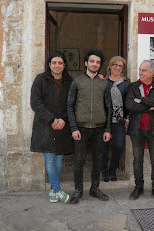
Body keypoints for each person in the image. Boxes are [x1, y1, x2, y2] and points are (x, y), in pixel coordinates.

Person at [67, 49, 112, 204]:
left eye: (98, 62)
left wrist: (108, 129)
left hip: (99, 128)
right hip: (81, 127)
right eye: (92, 61)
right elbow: (70, 105)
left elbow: (109, 107)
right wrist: (73, 128)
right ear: (86, 63)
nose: (95, 64)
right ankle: (78, 190)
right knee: (79, 160)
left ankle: (95, 188)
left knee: (98, 160)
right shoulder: (77, 81)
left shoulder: (104, 83)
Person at [30, 51, 73, 203]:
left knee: (59, 157)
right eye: (54, 62)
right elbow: (35, 103)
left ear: (64, 65)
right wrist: (51, 119)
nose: (57, 65)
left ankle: (53, 190)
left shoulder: (69, 81)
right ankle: (57, 189)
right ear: (49, 65)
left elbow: (72, 103)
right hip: (45, 125)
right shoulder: (40, 79)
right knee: (49, 158)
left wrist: (63, 120)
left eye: (60, 63)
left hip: (62, 125)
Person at [125, 60, 154, 204]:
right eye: (140, 69)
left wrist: (141, 100)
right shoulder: (133, 86)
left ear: (152, 72)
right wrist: (150, 104)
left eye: (144, 70)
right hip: (137, 130)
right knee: (137, 160)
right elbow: (130, 105)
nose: (140, 73)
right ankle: (138, 187)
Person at [101, 56, 130, 182]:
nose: (117, 68)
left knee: (119, 145)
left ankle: (112, 169)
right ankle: (104, 171)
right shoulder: (103, 81)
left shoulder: (126, 83)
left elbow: (128, 102)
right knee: (103, 147)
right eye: (115, 65)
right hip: (104, 119)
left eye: (120, 66)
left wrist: (127, 118)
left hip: (119, 120)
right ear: (110, 66)